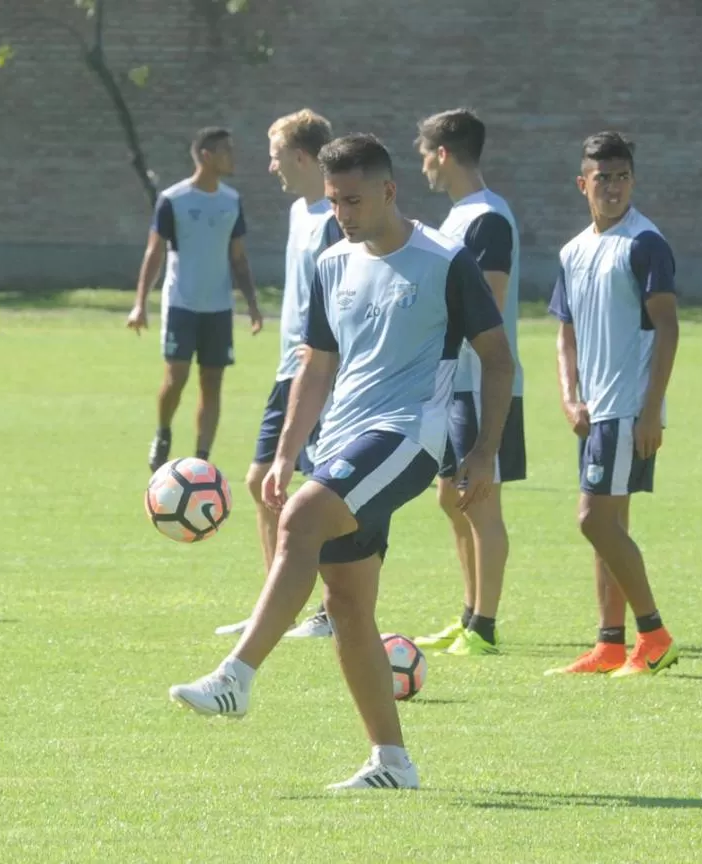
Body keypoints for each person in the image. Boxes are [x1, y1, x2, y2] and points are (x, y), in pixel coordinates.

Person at [169, 133, 515, 790]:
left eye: (353, 200)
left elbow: (498, 359)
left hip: (415, 433)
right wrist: (285, 451)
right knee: (349, 603)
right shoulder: (332, 262)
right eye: (333, 202)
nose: (343, 214)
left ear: (389, 190)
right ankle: (392, 762)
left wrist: (484, 452)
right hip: (344, 440)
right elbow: (316, 366)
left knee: (301, 517)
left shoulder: (445, 262)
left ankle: (236, 676)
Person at [546, 131, 680, 677]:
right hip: (594, 411)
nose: (614, 187)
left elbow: (668, 329)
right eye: (603, 178)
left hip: (628, 408)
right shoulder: (573, 251)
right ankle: (608, 644)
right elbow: (566, 333)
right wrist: (569, 397)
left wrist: (651, 411)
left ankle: (655, 634)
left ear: (633, 181)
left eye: (623, 176)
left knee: (594, 521)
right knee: (610, 522)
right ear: (583, 183)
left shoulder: (645, 243)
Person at [215, 109, 342, 640]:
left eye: (275, 155)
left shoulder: (338, 218)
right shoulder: (298, 213)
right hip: (286, 367)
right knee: (259, 481)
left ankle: (332, 612)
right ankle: (278, 605)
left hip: (320, 372)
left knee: (321, 495)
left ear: (301, 157)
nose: (270, 167)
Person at [413, 108, 526, 657]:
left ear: (442, 154)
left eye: (423, 155)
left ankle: (485, 625)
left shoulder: (487, 218)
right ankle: (467, 612)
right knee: (450, 499)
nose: (423, 168)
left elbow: (490, 300)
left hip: (485, 382)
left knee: (481, 502)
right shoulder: (458, 218)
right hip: (454, 383)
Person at [128, 126, 263, 472]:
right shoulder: (174, 200)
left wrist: (252, 304)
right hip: (181, 305)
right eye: (226, 151)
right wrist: (140, 303)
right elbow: (154, 253)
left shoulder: (231, 201)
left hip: (218, 308)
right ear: (207, 155)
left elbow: (238, 258)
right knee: (177, 377)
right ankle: (163, 432)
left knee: (213, 380)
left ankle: (202, 458)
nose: (233, 158)